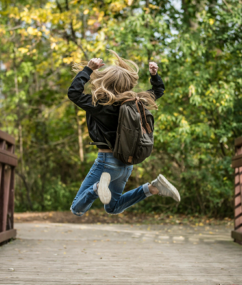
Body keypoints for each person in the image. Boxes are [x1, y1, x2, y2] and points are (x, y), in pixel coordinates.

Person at [68, 50, 181, 216]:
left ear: (105, 81)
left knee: (76, 208)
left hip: (106, 162)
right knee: (113, 207)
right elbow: (158, 92)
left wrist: (88, 69)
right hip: (126, 164)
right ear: (127, 83)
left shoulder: (99, 104)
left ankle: (98, 188)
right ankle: (153, 188)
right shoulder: (137, 102)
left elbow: (74, 93)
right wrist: (154, 76)